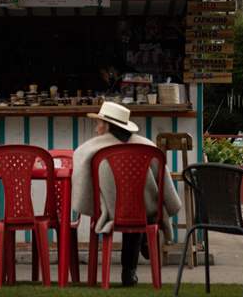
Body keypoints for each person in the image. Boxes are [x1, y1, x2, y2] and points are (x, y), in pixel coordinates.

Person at [71, 101, 182, 287]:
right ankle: (129, 269)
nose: (96, 129)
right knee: (137, 208)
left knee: (128, 207)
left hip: (109, 211)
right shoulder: (147, 146)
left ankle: (131, 262)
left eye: (98, 123)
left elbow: (81, 176)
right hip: (142, 210)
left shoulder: (89, 149)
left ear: (107, 126)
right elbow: (164, 184)